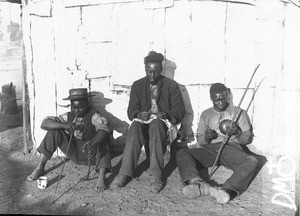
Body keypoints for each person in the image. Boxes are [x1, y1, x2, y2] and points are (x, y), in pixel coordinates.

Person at [111, 51, 185, 193]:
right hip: (143, 122)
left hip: (161, 123)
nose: (152, 75)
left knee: (156, 126)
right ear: (145, 69)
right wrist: (138, 113)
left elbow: (180, 110)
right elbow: (131, 110)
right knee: (134, 127)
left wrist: (167, 114)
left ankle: (156, 176)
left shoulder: (171, 85)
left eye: (156, 72)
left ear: (161, 70)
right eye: (149, 71)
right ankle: (125, 173)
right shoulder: (138, 85)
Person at [176, 83, 258, 204]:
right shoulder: (206, 114)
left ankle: (226, 189)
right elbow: (201, 141)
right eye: (217, 100)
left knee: (252, 161)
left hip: (232, 149)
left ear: (228, 96)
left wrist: (238, 133)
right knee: (182, 153)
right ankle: (197, 183)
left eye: (224, 99)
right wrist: (208, 138)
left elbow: (247, 139)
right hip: (211, 149)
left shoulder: (239, 113)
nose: (221, 102)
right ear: (211, 98)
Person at [26, 88, 111, 191]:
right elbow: (45, 123)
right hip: (74, 153)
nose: (77, 111)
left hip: (92, 155)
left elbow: (103, 128)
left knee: (104, 138)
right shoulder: (68, 116)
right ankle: (40, 168)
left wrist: (94, 144)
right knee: (54, 131)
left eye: (81, 107)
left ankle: (102, 177)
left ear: (88, 105)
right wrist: (64, 125)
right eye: (74, 107)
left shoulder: (94, 116)